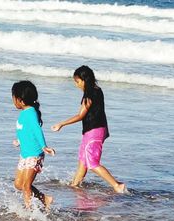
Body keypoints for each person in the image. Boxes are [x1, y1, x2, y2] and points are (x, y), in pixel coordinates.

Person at [51, 65, 125, 193]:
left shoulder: (89, 95)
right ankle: (75, 184)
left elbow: (80, 115)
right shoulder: (98, 90)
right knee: (83, 160)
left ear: (85, 80)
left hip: (93, 132)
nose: (77, 85)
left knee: (92, 163)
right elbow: (100, 112)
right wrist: (105, 131)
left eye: (78, 81)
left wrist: (61, 124)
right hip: (95, 131)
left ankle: (116, 185)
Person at [12, 80, 55, 209]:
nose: (13, 100)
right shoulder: (24, 114)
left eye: (13, 97)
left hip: (34, 154)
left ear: (21, 100)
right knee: (19, 184)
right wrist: (19, 141)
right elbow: (26, 131)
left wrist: (44, 146)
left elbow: (37, 129)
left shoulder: (30, 113)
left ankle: (28, 212)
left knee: (26, 186)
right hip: (25, 154)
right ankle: (44, 198)